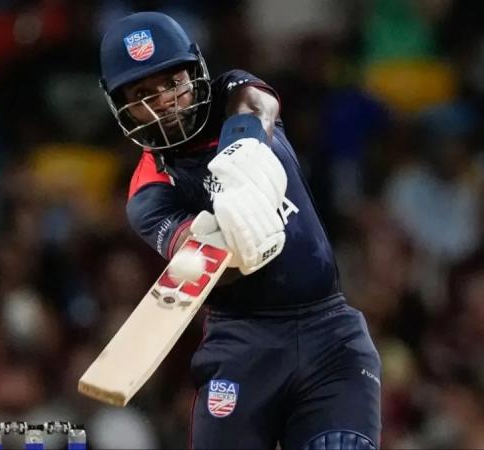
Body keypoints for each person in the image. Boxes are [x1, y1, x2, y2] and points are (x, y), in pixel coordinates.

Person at [99, 12, 381, 449]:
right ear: (122, 107)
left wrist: (245, 155)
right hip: (241, 347)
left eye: (172, 82)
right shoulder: (148, 192)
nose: (164, 101)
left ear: (195, 72)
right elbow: (200, 263)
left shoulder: (233, 92)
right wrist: (230, 240)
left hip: (329, 335)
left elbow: (257, 106)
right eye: (142, 95)